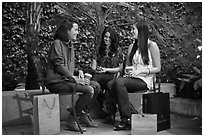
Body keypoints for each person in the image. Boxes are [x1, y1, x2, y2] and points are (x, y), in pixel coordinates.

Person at [45, 19, 100, 132]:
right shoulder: (57, 44)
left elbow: (66, 66)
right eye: (75, 30)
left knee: (96, 86)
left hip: (66, 79)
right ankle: (72, 119)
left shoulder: (70, 45)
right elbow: (58, 66)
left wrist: (77, 71)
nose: (77, 32)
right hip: (56, 82)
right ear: (67, 31)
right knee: (89, 90)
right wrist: (74, 79)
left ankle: (83, 114)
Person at [107, 20, 161, 131]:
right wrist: (129, 70)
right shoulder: (132, 46)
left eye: (133, 29)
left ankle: (125, 119)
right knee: (110, 84)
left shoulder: (152, 46)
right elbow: (128, 65)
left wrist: (140, 71)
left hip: (145, 80)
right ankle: (132, 115)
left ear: (141, 31)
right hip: (132, 78)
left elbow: (158, 68)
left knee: (118, 82)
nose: (131, 31)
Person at [90, 26, 124, 120]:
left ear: (113, 38)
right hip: (100, 75)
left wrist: (106, 69)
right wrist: (97, 69)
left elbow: (120, 69)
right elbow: (93, 67)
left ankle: (108, 107)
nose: (107, 39)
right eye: (105, 36)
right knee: (95, 82)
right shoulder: (98, 49)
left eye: (109, 37)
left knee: (109, 84)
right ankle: (107, 105)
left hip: (112, 75)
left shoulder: (117, 50)